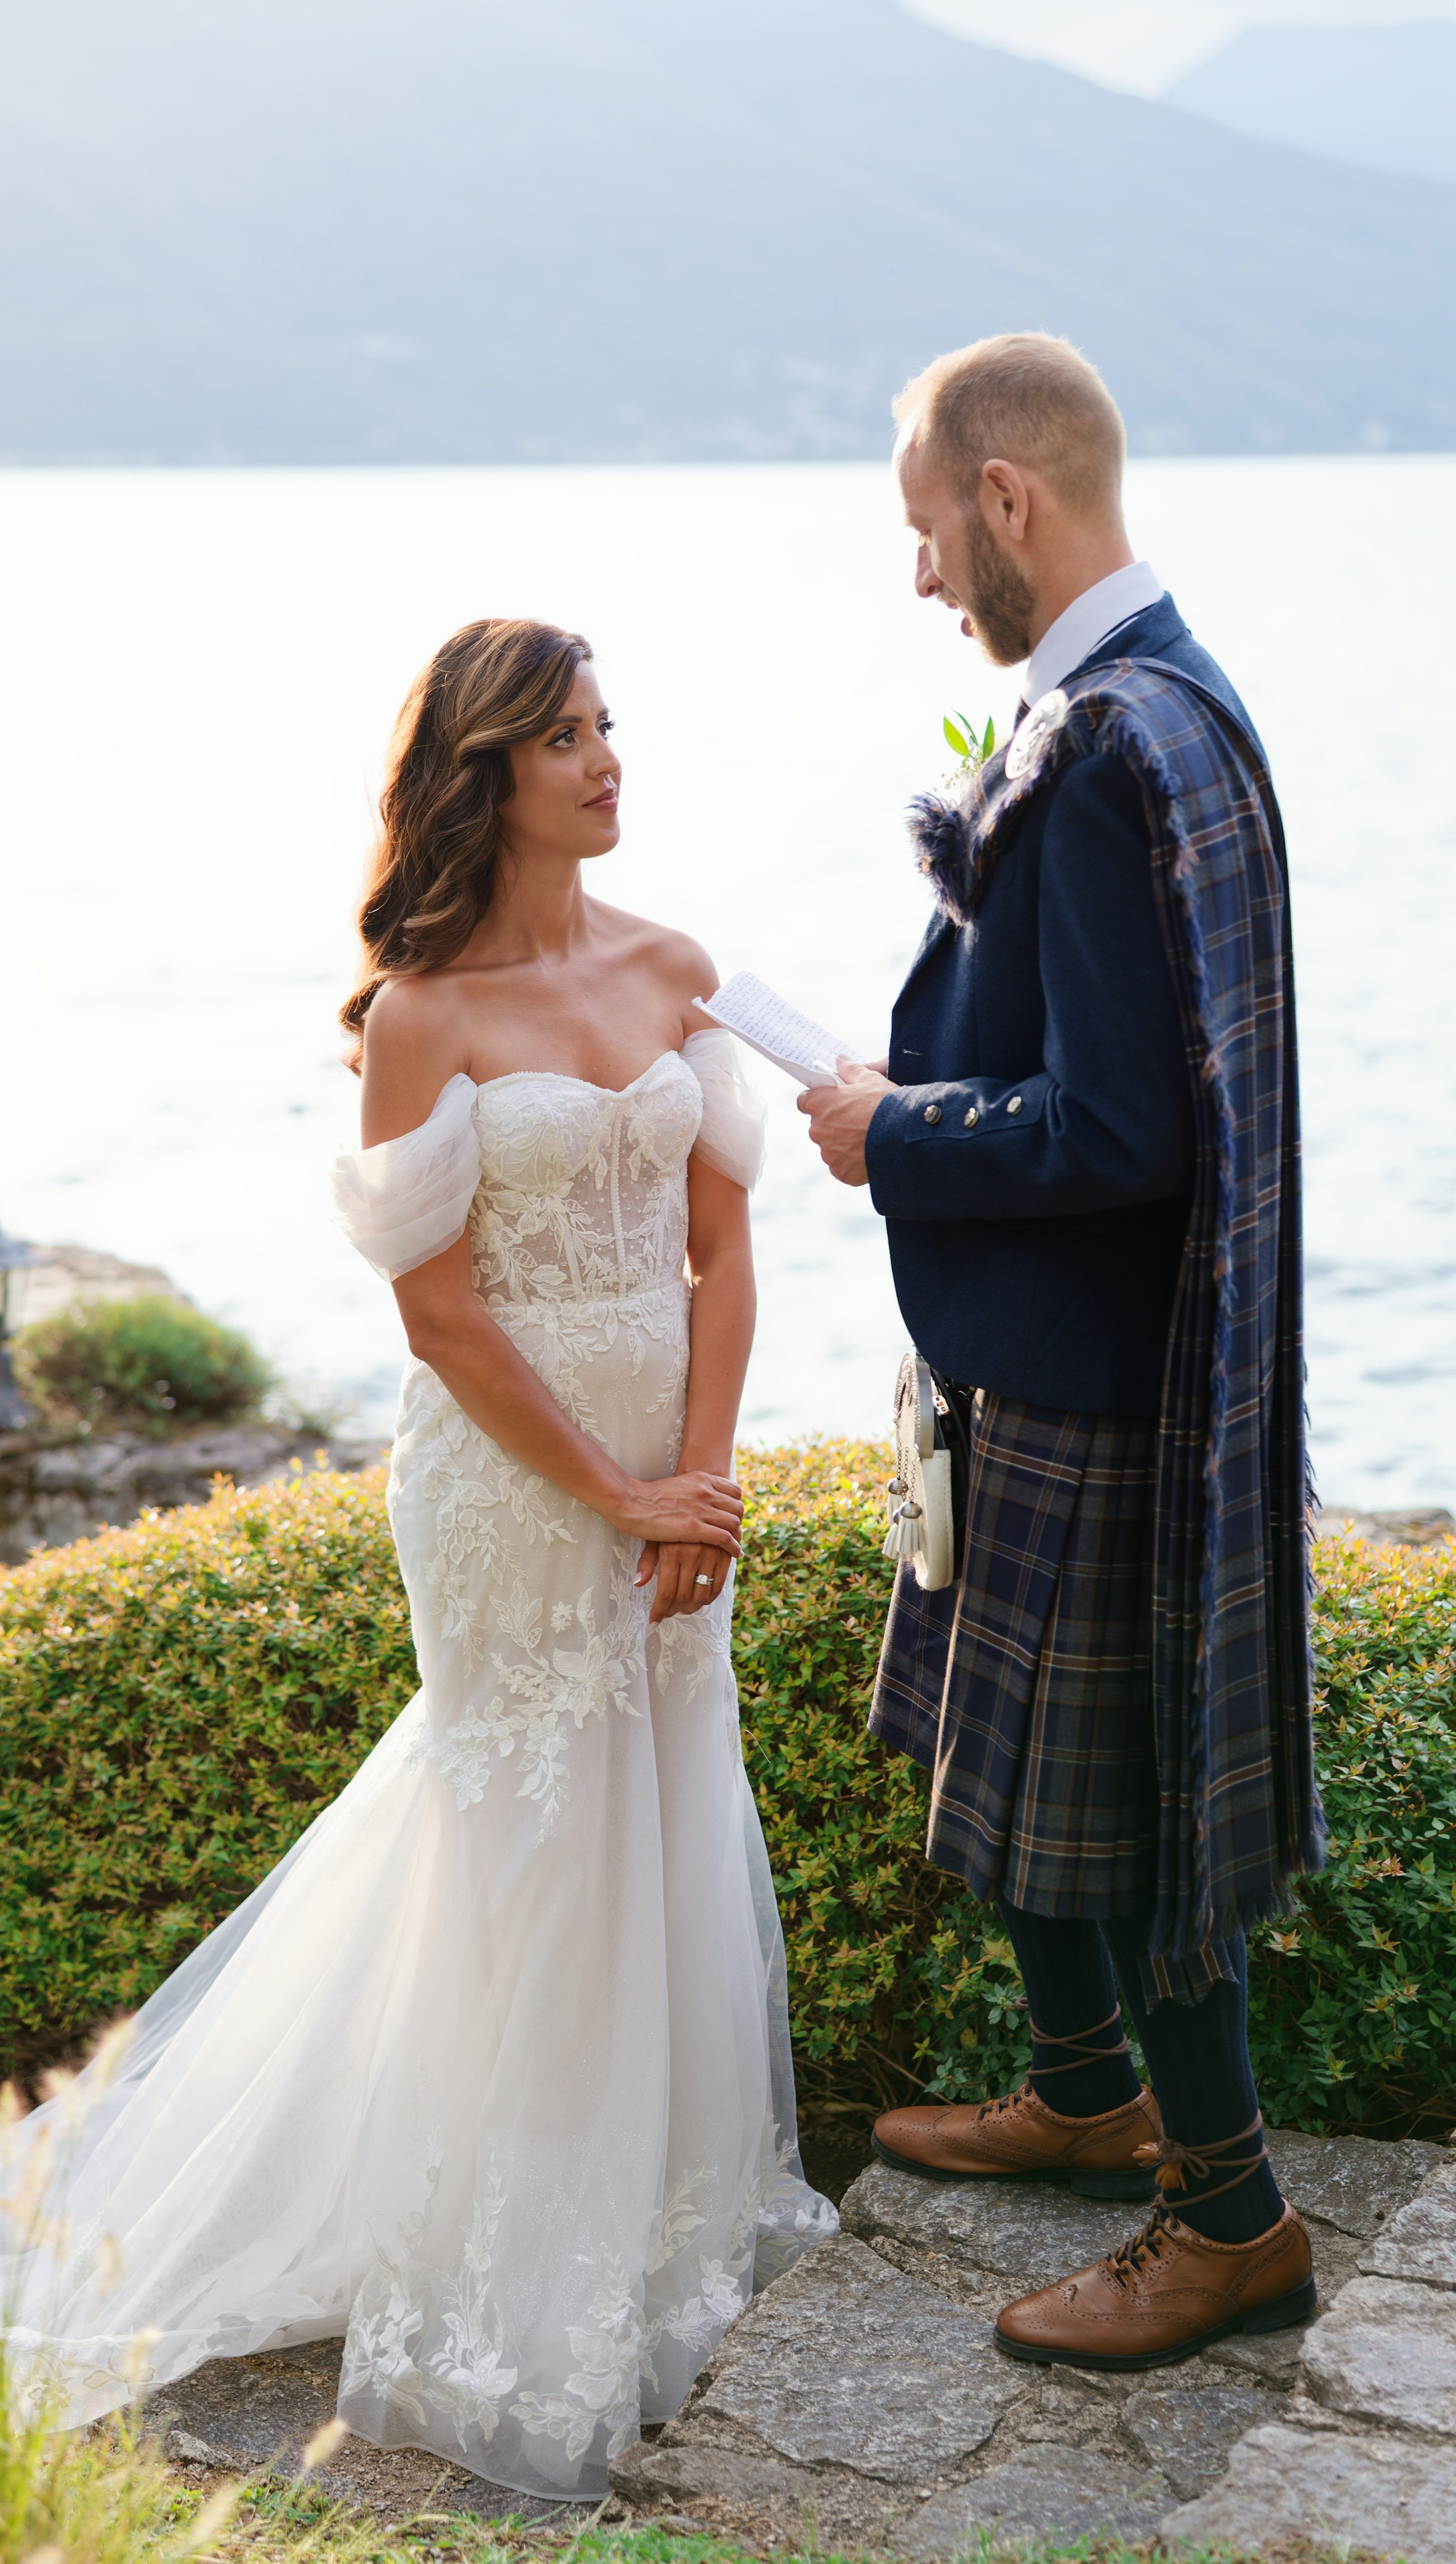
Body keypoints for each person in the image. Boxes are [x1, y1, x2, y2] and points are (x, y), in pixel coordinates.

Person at [0, 617, 833, 2502]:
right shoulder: (423, 1012)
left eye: (610, 727)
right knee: (532, 1842)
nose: (609, 761)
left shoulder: (678, 969)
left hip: (674, 1472)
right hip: (511, 1488)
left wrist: (708, 1477)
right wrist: (615, 1492)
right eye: (568, 738)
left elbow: (726, 1249)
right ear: (485, 774)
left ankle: (667, 2227)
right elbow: (439, 1321)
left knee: (665, 1803)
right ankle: (515, 2284)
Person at [799, 335, 1323, 2369]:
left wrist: (887, 1131)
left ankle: (1231, 2222)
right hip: (1049, 1348)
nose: (924, 576)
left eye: (928, 529)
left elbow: (1122, 1131)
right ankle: (1083, 2083)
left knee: (1117, 1803)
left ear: (1007, 500)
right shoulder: (1150, 703)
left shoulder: (1112, 742)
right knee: (1025, 1780)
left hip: (1104, 1378)